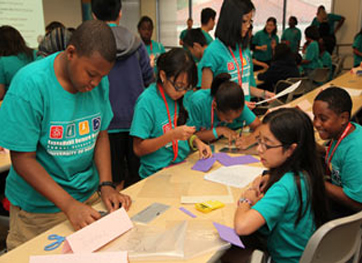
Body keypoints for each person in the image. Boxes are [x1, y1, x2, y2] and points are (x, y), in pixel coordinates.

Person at [0, 20, 131, 250]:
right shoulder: (30, 85)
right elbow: (22, 160)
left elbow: (101, 134)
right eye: (91, 74)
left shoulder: (98, 81)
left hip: (87, 198)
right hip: (39, 211)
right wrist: (69, 205)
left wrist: (106, 184)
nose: (96, 83)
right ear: (71, 53)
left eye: (102, 76)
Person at [223, 108, 328, 263]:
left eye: (267, 145)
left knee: (228, 252)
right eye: (259, 141)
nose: (259, 149)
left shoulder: (285, 187)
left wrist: (248, 199)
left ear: (291, 149)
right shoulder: (308, 171)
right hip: (305, 254)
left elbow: (242, 226)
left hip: (284, 259)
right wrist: (270, 176)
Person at [92, 0, 154, 189]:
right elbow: (148, 78)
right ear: (120, 13)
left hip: (105, 125)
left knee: (112, 182)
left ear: (93, 15)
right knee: (138, 179)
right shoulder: (136, 43)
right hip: (136, 120)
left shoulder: (91, 44)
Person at [130, 48, 212, 179]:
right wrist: (171, 135)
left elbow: (182, 132)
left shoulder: (179, 95)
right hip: (156, 174)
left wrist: (196, 141)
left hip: (181, 167)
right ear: (163, 76)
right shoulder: (147, 102)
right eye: (179, 85)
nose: (183, 92)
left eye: (187, 87)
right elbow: (138, 148)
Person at [199, 0, 274, 107]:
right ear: (230, 21)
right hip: (225, 120)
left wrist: (263, 94)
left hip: (244, 117)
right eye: (244, 21)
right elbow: (206, 96)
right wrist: (235, 105)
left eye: (250, 21)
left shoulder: (243, 48)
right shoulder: (212, 52)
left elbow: (241, 85)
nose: (248, 26)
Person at [313, 87, 362, 219]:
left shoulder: (356, 151)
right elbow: (339, 155)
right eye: (314, 117)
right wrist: (321, 149)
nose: (316, 123)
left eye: (323, 119)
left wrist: (314, 181)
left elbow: (357, 203)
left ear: (343, 118)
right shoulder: (346, 131)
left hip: (349, 215)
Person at [187, 73, 261, 149]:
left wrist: (250, 139)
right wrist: (220, 130)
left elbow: (260, 126)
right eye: (227, 119)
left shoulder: (236, 102)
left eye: (235, 118)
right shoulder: (198, 102)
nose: (231, 121)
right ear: (215, 106)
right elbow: (189, 136)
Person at [0, 26, 38, 100]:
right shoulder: (35, 54)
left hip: (15, 105)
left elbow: (0, 94)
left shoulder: (2, 62)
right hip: (39, 101)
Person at [182, 28, 208, 109]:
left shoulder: (204, 64)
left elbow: (200, 93)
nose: (191, 54)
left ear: (196, 46)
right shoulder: (214, 53)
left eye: (190, 50)